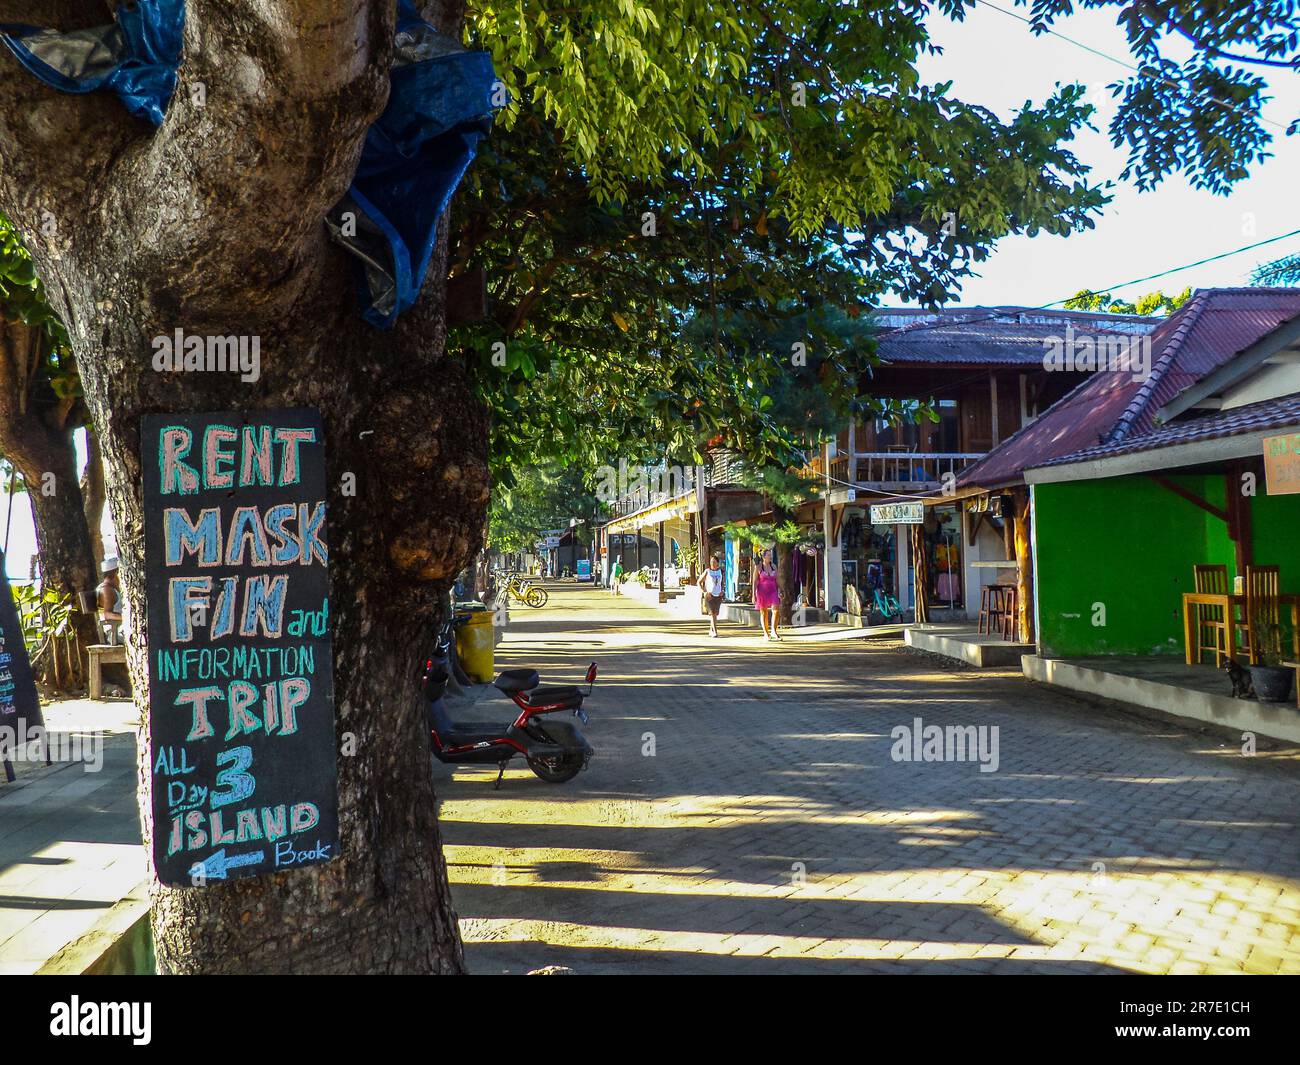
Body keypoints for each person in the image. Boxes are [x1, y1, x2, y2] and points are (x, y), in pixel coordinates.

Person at [752, 547, 780, 640]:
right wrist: (753, 594)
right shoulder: (759, 567)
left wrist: (781, 589)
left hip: (773, 590)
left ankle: (774, 631)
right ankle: (765, 633)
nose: (770, 557)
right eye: (768, 555)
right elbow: (755, 581)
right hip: (762, 591)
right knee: (764, 612)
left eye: (770, 555)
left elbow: (777, 579)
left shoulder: (774, 566)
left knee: (776, 610)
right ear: (764, 557)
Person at [96, 556, 124, 644]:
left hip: (119, 629)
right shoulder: (106, 590)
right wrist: (127, 618)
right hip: (115, 633)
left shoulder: (111, 588)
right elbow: (107, 614)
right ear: (116, 573)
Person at [698, 553, 725, 637]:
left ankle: (711, 630)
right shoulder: (707, 571)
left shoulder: (720, 572)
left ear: (717, 563)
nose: (712, 563)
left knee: (715, 613)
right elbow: (699, 582)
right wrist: (704, 591)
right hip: (710, 595)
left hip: (718, 595)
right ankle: (715, 631)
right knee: (712, 613)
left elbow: (722, 583)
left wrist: (722, 591)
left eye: (714, 562)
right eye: (711, 562)